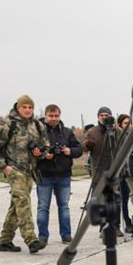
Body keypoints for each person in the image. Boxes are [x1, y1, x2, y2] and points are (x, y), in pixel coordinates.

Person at [0, 95, 49, 254]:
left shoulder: (38, 126)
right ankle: (31, 240)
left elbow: (45, 146)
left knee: (16, 206)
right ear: (17, 108)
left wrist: (40, 152)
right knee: (23, 203)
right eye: (24, 107)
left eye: (30, 107)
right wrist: (3, 166)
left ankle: (5, 240)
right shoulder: (7, 124)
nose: (27, 110)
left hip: (29, 171)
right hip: (14, 169)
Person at [36, 104, 82, 244]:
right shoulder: (38, 132)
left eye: (56, 116)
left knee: (64, 207)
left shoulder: (67, 132)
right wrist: (44, 155)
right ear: (45, 115)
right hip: (44, 175)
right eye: (51, 116)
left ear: (60, 116)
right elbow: (32, 151)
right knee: (43, 207)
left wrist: (70, 151)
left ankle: (66, 235)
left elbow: (79, 149)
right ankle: (43, 237)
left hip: (63, 175)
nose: (54, 119)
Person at [83, 106, 124, 237]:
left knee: (115, 200)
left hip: (114, 170)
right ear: (98, 117)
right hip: (99, 171)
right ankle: (103, 227)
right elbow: (83, 147)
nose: (104, 118)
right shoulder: (92, 132)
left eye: (107, 115)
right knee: (101, 201)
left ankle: (115, 226)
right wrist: (87, 145)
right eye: (102, 115)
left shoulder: (118, 131)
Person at [116, 114, 133, 234]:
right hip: (121, 174)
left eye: (129, 123)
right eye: (124, 123)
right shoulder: (117, 138)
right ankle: (127, 221)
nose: (127, 125)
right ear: (120, 125)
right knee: (124, 200)